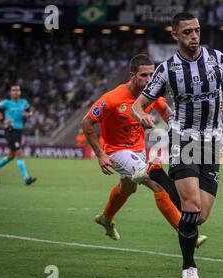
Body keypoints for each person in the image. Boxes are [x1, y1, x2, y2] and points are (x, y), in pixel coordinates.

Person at [130, 12, 223, 278]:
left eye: (197, 31)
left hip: (211, 141)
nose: (194, 36)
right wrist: (140, 115)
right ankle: (189, 266)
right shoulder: (166, 70)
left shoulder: (217, 59)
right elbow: (137, 104)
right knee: (190, 205)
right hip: (183, 138)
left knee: (200, 215)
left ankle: (157, 176)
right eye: (187, 32)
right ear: (175, 35)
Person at [81, 54, 207, 246]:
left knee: (128, 188)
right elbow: (87, 122)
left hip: (138, 149)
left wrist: (181, 133)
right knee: (157, 183)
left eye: (152, 75)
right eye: (144, 76)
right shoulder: (112, 99)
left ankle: (106, 218)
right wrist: (100, 154)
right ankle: (187, 233)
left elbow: (165, 111)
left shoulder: (151, 94)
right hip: (116, 151)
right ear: (132, 75)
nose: (149, 80)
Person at [0, 84, 37, 185]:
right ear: (11, 93)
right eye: (13, 90)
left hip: (19, 131)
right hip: (10, 130)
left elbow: (29, 113)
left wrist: (29, 115)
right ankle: (26, 178)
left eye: (17, 90)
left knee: (11, 156)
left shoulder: (24, 103)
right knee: (19, 153)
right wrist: (3, 119)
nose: (15, 92)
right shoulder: (6, 103)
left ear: (20, 92)